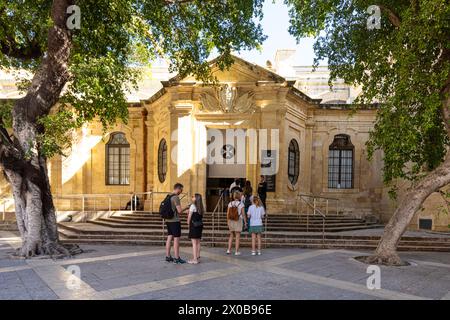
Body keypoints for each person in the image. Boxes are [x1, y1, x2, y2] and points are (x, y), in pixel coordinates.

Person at [165, 183, 189, 264]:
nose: (181, 192)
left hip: (168, 220)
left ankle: (168, 256)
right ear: (178, 189)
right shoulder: (175, 197)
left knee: (169, 237)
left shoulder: (168, 196)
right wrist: (186, 207)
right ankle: (176, 258)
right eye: (181, 190)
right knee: (176, 239)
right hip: (175, 221)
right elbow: (179, 211)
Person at [226, 191, 246, 255]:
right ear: (239, 196)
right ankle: (236, 251)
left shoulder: (230, 203)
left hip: (231, 220)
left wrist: (227, 221)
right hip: (238, 220)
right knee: (237, 236)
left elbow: (227, 214)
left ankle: (228, 250)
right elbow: (243, 214)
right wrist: (245, 222)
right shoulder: (241, 204)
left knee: (231, 235)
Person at [187, 193, 205, 264]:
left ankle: (195, 259)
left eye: (193, 197)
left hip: (194, 225)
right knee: (198, 242)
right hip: (200, 225)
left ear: (196, 198)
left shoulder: (192, 206)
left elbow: (189, 217)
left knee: (194, 243)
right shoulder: (201, 207)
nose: (192, 197)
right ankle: (197, 256)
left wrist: (188, 224)